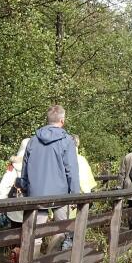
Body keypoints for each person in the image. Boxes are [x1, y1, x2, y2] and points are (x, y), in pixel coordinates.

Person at [21, 104, 80, 254]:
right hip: (60, 194)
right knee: (61, 230)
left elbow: (25, 167)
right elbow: (71, 170)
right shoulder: (67, 141)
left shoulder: (33, 140)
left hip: (36, 193)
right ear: (62, 120)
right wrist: (74, 194)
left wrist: (25, 186)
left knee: (35, 233)